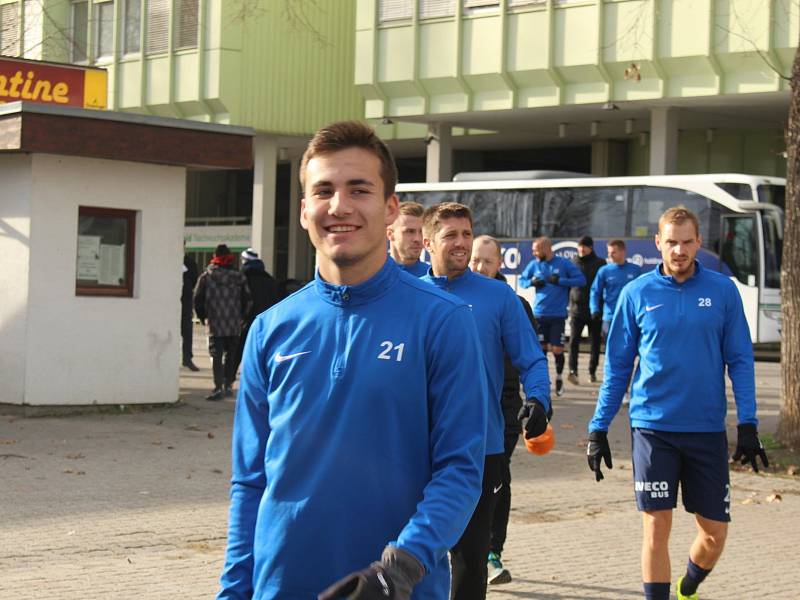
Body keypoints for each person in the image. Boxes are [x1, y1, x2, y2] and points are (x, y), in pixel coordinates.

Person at [217, 121, 488, 600]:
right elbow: (250, 481)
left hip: (397, 589)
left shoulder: (444, 321)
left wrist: (399, 570)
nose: (339, 206)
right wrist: (234, 590)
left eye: (358, 190)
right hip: (280, 587)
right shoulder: (269, 328)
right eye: (323, 191)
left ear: (389, 210)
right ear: (304, 211)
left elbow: (461, 471)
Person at [586, 206, 769, 600]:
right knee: (656, 526)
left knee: (714, 532)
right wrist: (597, 427)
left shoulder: (723, 291)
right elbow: (618, 367)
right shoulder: (637, 293)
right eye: (672, 242)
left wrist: (749, 424)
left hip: (705, 430)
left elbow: (740, 360)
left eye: (687, 242)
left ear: (699, 242)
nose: (680, 250)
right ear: (658, 243)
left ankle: (689, 585)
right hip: (653, 428)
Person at [422, 204, 550, 600]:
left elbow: (531, 359)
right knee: (416, 556)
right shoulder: (408, 294)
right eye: (450, 235)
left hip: (481, 448)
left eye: (466, 233)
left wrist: (539, 401)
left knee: (470, 560)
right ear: (428, 243)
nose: (461, 243)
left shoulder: (498, 296)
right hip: (416, 448)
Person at [470, 235, 536, 586]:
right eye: (476, 261)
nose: (480, 267)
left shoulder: (516, 304)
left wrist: (535, 403)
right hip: (465, 408)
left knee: (498, 476)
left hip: (506, 408)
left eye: (487, 261)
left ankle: (492, 551)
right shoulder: (456, 299)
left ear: (500, 265)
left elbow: (530, 358)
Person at [518, 236, 585, 397]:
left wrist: (560, 280)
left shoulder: (563, 264)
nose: (534, 253)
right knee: (540, 350)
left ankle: (560, 377)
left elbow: (581, 280)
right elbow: (522, 281)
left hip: (557, 315)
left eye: (536, 250)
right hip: (539, 313)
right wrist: (532, 282)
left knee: (557, 349)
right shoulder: (535, 264)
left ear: (545, 248)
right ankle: (543, 381)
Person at [193, 244, 252, 401]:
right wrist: (242, 318)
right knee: (231, 355)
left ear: (215, 256)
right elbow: (247, 300)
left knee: (216, 356)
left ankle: (218, 386)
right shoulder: (239, 277)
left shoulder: (207, 276)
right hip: (233, 323)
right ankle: (228, 385)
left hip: (214, 323)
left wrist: (203, 317)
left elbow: (197, 300)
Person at [233, 248, 281, 377]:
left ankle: (228, 381)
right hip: (267, 324)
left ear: (245, 261)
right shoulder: (270, 280)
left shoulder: (241, 279)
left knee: (236, 353)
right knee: (263, 355)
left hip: (245, 322)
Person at [567, 235, 605, 385]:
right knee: (573, 341)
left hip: (594, 310)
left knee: (594, 342)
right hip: (577, 308)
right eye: (580, 246)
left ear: (591, 248)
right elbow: (567, 286)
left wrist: (599, 307)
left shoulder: (600, 263)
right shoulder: (572, 263)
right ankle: (572, 371)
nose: (581, 249)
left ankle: (592, 371)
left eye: (585, 246)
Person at [590, 239, 642, 339]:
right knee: (610, 350)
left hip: (630, 317)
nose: (610, 255)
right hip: (609, 317)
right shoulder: (604, 270)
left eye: (613, 252)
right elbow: (595, 292)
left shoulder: (635, 270)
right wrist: (594, 309)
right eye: (609, 252)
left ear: (623, 252)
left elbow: (641, 293)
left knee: (629, 350)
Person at [387, 200, 428, 276]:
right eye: (409, 231)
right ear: (390, 234)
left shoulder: (434, 277)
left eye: (422, 232)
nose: (418, 239)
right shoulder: (372, 275)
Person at [181, 251, 200, 371]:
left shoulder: (189, 262)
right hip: (169, 302)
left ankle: (187, 358)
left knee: (187, 331)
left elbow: (195, 280)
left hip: (185, 301)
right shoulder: (168, 258)